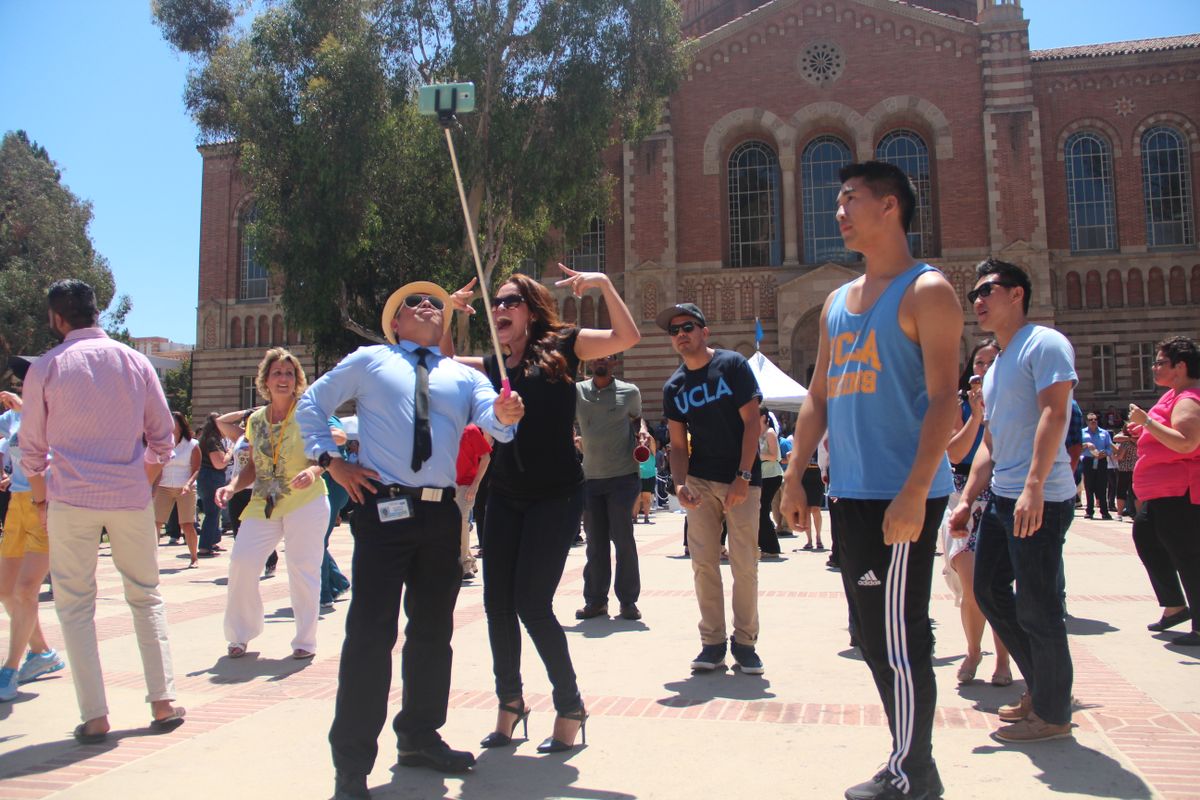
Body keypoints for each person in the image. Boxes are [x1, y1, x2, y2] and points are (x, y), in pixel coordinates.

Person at [298, 281, 522, 799]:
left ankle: (420, 735)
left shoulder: (463, 377)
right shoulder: (371, 360)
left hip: (442, 515)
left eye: (434, 305)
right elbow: (313, 403)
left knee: (432, 633)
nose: (427, 307)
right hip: (383, 510)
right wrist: (331, 462)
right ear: (394, 324)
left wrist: (506, 416)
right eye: (412, 304)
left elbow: (494, 417)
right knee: (370, 636)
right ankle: (352, 763)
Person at [781, 161, 962, 800]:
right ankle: (907, 759)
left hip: (903, 496)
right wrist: (794, 475)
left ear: (890, 207)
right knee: (870, 633)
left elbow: (947, 400)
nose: (838, 211)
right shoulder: (835, 302)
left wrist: (916, 489)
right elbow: (819, 396)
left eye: (850, 199)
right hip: (851, 494)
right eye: (838, 200)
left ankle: (916, 772)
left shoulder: (927, 290)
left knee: (901, 634)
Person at [448, 265, 639, 756]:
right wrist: (451, 313)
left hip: (555, 495)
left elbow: (627, 336)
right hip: (505, 495)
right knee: (496, 605)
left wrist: (602, 284)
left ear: (531, 310)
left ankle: (570, 704)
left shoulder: (565, 347)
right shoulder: (494, 363)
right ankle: (510, 703)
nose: (500, 309)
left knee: (532, 605)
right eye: (496, 304)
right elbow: (445, 363)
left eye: (510, 301)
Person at [19, 279, 185, 742]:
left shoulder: (47, 368)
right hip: (130, 497)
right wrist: (141, 479)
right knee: (146, 595)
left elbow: (30, 448)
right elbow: (163, 438)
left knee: (74, 605)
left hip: (70, 498)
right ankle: (163, 701)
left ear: (57, 319)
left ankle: (95, 715)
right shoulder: (135, 362)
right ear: (98, 312)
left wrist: (38, 500)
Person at [949, 258, 1078, 744]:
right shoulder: (999, 362)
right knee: (989, 592)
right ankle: (1043, 689)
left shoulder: (1044, 343)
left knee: (1040, 606)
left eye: (988, 290)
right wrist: (967, 498)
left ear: (1018, 293)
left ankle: (1051, 712)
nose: (978, 301)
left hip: (1038, 498)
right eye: (973, 295)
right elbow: (990, 442)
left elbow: (1054, 412)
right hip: (1004, 497)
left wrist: (1035, 485)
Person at [659, 302, 766, 675]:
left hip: (741, 479)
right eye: (674, 331)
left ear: (705, 331)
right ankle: (713, 643)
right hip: (701, 480)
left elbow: (753, 422)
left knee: (744, 565)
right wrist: (679, 484)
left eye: (687, 326)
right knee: (703, 565)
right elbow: (676, 443)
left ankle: (746, 642)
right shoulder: (674, 387)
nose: (680, 334)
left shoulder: (732, 365)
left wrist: (743, 476)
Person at [215, 348, 329, 661]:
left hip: (305, 500)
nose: (283, 378)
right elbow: (251, 465)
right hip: (264, 500)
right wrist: (232, 485)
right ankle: (240, 634)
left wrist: (312, 470)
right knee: (241, 562)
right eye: (277, 373)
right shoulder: (255, 421)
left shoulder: (308, 411)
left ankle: (305, 640)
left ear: (297, 380)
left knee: (302, 569)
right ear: (265, 379)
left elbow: (326, 452)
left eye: (289, 373)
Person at [940, 340, 1011, 687]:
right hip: (965, 496)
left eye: (991, 361)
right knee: (971, 586)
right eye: (979, 363)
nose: (984, 368)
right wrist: (977, 416)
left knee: (997, 585)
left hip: (1003, 493)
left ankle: (1003, 658)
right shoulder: (962, 404)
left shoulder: (1016, 397)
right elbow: (955, 452)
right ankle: (973, 650)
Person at [1128, 335, 1200, 646]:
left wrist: (1147, 422)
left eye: (1160, 362)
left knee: (1187, 554)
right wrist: (1145, 429)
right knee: (1145, 535)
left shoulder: (1188, 398)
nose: (1154, 367)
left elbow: (1186, 442)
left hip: (1180, 490)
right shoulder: (1175, 394)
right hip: (1163, 492)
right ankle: (1175, 606)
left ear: (1180, 366)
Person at [0, 363, 66, 702]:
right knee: (7, 593)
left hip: (47, 504)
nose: (23, 383)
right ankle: (41, 653)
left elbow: (54, 450)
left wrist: (27, 411)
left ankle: (8, 670)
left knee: (26, 590)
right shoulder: (11, 419)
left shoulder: (58, 411)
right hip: (18, 504)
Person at [574, 354, 646, 621]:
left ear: (614, 362)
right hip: (591, 478)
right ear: (590, 363)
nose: (600, 361)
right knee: (595, 542)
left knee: (623, 539)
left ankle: (628, 601)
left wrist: (643, 433)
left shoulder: (630, 391)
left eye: (606, 357)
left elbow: (638, 419)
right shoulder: (578, 392)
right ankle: (595, 600)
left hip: (623, 476)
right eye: (596, 358)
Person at [153, 411, 201, 568]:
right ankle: (150, 559)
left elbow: (196, 468)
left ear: (180, 425)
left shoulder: (192, 444)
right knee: (155, 523)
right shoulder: (162, 443)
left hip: (184, 488)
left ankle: (194, 557)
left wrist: (188, 484)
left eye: (172, 423)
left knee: (187, 524)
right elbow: (157, 466)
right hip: (164, 486)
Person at [454, 424, 492, 580]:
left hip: (466, 485)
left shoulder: (471, 430)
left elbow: (486, 457)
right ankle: (470, 561)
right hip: (446, 484)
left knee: (462, 522)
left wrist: (476, 484)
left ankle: (464, 566)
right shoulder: (442, 425)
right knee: (453, 525)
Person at [196, 413, 229, 556]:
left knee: (214, 511)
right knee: (212, 512)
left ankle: (213, 541)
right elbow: (219, 463)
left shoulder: (206, 439)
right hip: (212, 476)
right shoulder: (212, 440)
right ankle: (205, 546)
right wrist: (230, 452)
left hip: (206, 476)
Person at [756, 408, 783, 557]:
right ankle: (765, 545)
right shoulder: (756, 433)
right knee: (759, 510)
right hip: (762, 475)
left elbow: (775, 456)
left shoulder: (770, 433)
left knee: (762, 510)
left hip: (772, 475)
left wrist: (758, 454)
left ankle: (771, 547)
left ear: (764, 417)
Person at [1080, 413, 1114, 520]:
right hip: (1088, 461)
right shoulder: (1082, 433)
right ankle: (1089, 511)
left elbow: (1109, 447)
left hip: (1101, 461)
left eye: (1095, 419)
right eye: (1090, 419)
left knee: (1102, 486)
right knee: (1089, 486)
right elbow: (1077, 447)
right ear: (1087, 422)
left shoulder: (1104, 433)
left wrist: (1106, 453)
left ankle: (1104, 511)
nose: (1093, 421)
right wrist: (1086, 445)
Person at [1113, 425, 1138, 520]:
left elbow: (1120, 457)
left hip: (1124, 469)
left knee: (1121, 492)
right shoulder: (1138, 443)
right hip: (1135, 469)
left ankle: (1119, 514)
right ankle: (1138, 513)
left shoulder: (1125, 443)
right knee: (1135, 493)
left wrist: (1114, 455)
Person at [634, 430, 657, 524]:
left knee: (647, 498)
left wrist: (646, 434)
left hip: (649, 476)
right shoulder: (635, 449)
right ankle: (634, 518)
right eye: (641, 439)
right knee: (637, 498)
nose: (643, 441)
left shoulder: (651, 451)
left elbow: (652, 441)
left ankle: (646, 517)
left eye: (645, 439)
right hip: (637, 476)